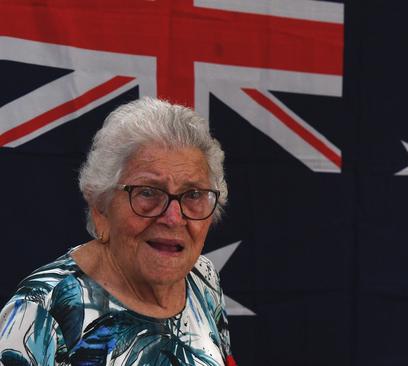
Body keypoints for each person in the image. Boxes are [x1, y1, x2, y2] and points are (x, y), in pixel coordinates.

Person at [0, 98, 236, 366]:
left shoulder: (202, 278)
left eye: (193, 194)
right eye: (147, 192)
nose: (173, 218)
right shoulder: (41, 309)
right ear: (101, 206)